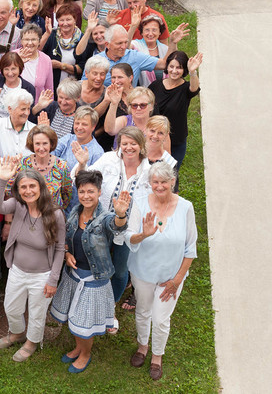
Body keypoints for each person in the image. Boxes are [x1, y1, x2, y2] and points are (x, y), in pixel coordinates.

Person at [72, 126, 152, 332]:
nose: (128, 147)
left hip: (129, 228)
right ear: (119, 145)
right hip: (102, 224)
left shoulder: (148, 171)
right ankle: (87, 299)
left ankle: (111, 307)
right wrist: (82, 163)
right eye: (124, 143)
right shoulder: (108, 160)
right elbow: (84, 178)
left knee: (120, 269)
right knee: (97, 264)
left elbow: (153, 200)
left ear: (141, 146)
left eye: (133, 143)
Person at [50, 170, 130, 373]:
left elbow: (117, 227)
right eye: (82, 191)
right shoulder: (74, 213)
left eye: (91, 191)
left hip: (94, 279)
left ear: (99, 192)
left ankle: (85, 354)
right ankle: (78, 348)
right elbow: (66, 240)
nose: (86, 195)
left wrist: (121, 214)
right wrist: (67, 254)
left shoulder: (105, 218)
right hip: (73, 275)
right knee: (74, 316)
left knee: (84, 320)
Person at [125, 161, 197, 381]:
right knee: (143, 311)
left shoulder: (185, 207)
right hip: (142, 272)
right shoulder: (139, 203)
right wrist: (144, 234)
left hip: (170, 278)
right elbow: (129, 237)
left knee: (160, 318)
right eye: (155, 182)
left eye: (164, 182)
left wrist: (177, 279)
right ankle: (142, 346)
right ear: (150, 183)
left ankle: (157, 356)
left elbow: (190, 248)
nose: (159, 186)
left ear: (172, 182)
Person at [0, 164, 65, 362]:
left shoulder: (55, 214)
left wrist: (53, 280)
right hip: (17, 270)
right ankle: (16, 333)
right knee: (12, 308)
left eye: (32, 186)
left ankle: (32, 342)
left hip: (42, 275)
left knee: (37, 312)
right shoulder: (18, 205)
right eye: (23, 187)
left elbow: (59, 250)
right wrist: (2, 180)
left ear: (40, 187)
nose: (28, 191)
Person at [148, 51, 203, 171]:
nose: (174, 70)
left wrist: (193, 72)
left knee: (170, 174)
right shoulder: (155, 85)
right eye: (171, 66)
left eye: (179, 67)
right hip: (154, 139)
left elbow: (194, 88)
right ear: (167, 67)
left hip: (176, 141)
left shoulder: (185, 89)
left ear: (184, 70)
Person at [4, 125, 73, 211]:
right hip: (27, 215)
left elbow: (67, 194)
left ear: (51, 144)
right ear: (32, 144)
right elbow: (9, 190)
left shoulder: (62, 166)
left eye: (45, 143)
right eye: (37, 144)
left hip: (53, 217)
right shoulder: (23, 163)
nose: (41, 148)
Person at [53, 106, 105, 211]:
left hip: (77, 205)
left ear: (93, 127)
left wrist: (82, 164)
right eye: (77, 123)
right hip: (57, 200)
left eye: (84, 124)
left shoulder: (97, 152)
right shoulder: (67, 139)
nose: (79, 127)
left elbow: (93, 182)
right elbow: (50, 156)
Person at [85, 25, 166, 87]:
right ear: (107, 45)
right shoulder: (96, 60)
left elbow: (163, 64)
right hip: (103, 102)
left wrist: (173, 42)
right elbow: (84, 84)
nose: (124, 47)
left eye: (125, 42)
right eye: (119, 43)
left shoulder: (134, 56)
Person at [0, 87, 36, 159]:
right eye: (23, 109)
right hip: (1, 169)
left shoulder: (34, 129)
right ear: (10, 109)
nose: (27, 113)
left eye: (28, 109)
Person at [42, 3, 84, 88]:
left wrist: (61, 66)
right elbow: (38, 51)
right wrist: (47, 33)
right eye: (61, 20)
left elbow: (82, 68)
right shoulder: (52, 35)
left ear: (75, 20)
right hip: (52, 85)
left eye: (68, 19)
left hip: (73, 86)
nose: (65, 23)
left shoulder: (82, 38)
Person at [15, 23, 54, 97]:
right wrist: (16, 61)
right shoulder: (13, 55)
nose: (30, 43)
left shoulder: (46, 59)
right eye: (26, 39)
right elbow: (0, 75)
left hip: (38, 105)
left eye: (33, 39)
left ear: (39, 41)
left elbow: (49, 88)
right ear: (21, 41)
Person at [131, 15, 171, 87]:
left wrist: (174, 42)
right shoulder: (135, 45)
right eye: (147, 30)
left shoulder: (165, 49)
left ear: (159, 32)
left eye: (154, 30)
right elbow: (125, 47)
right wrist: (133, 27)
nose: (150, 34)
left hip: (163, 91)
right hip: (141, 92)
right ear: (142, 33)